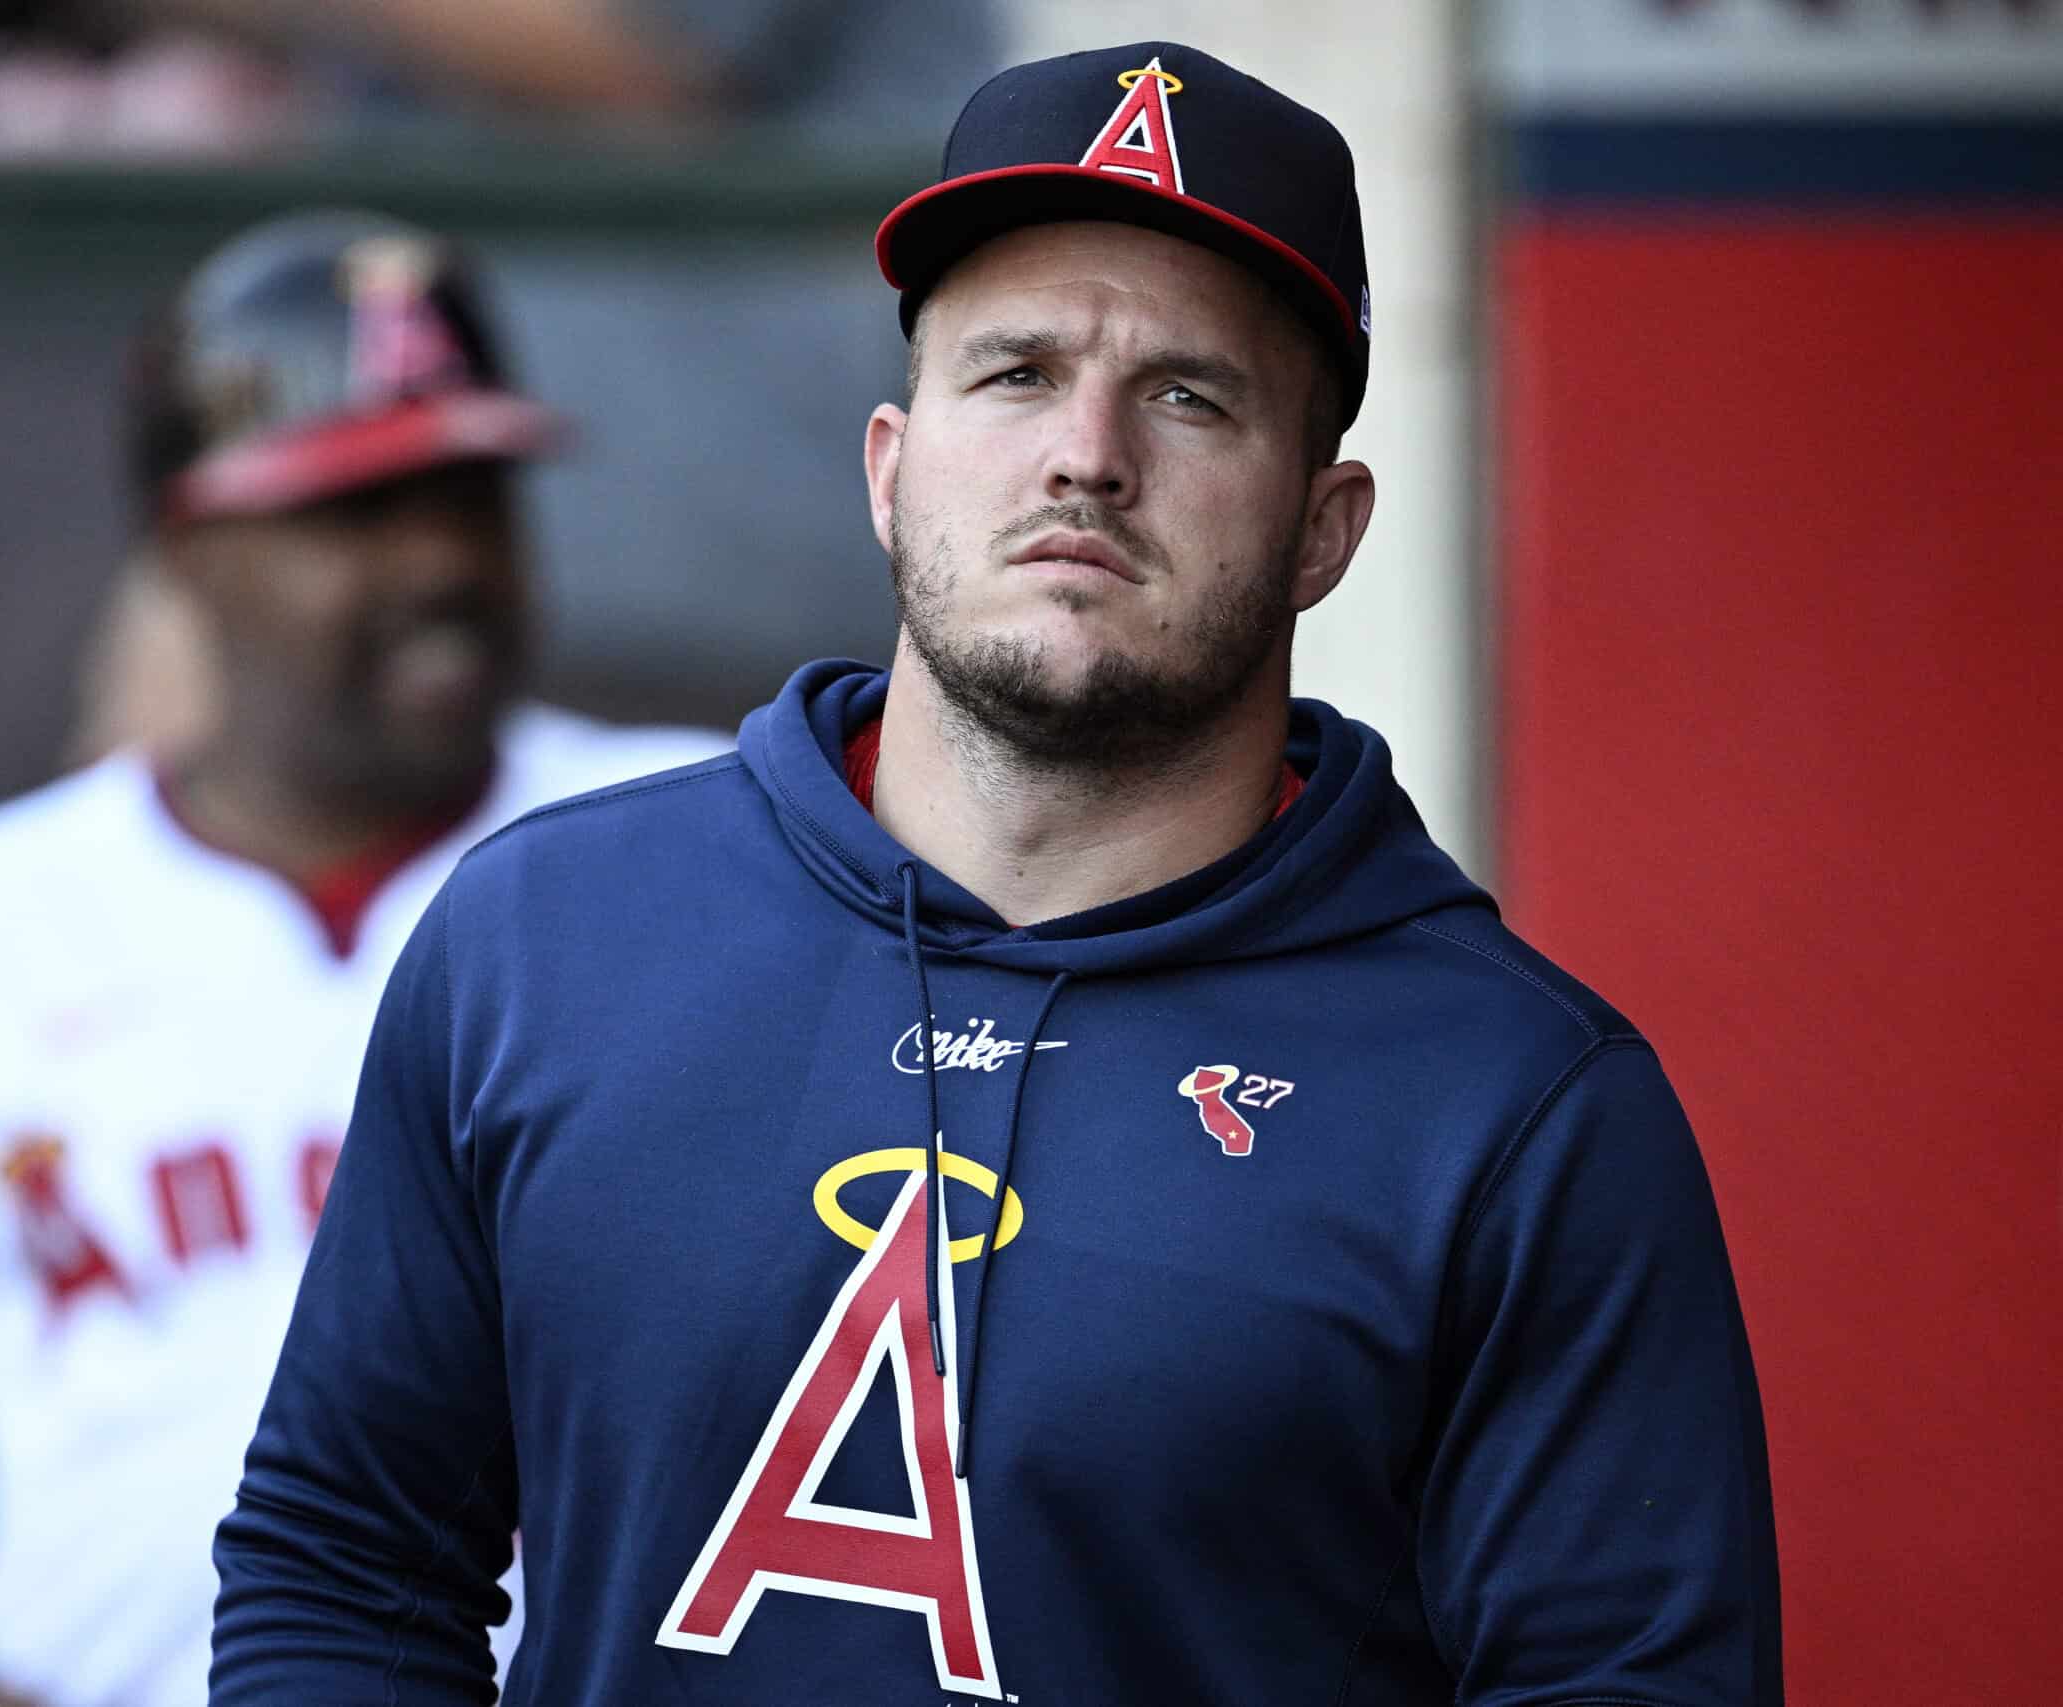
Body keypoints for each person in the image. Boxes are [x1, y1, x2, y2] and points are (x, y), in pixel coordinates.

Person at [209, 41, 1785, 1707]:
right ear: (893, 465)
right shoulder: (543, 940)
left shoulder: (1518, 1108)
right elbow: (345, 1567)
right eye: (1017, 372)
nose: (1086, 454)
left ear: (1326, 527)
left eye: (1189, 394)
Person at [0, 208, 726, 1707]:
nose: (440, 562)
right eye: (357, 511)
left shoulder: (715, 840)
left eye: (471, 496)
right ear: (189, 552)